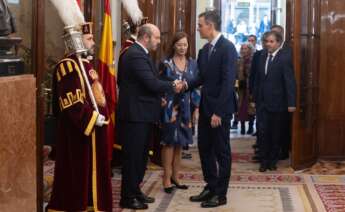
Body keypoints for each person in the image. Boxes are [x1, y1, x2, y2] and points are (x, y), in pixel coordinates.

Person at [47, 22, 113, 211]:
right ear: (76, 41)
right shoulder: (67, 66)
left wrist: (102, 114)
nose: (93, 42)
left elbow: (97, 95)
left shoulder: (86, 64)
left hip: (94, 130)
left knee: (94, 173)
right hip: (77, 132)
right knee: (76, 175)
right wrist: (91, 118)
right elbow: (71, 102)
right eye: (89, 39)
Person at [117, 23, 184, 210]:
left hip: (143, 114)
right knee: (133, 158)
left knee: (140, 157)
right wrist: (172, 86)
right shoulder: (135, 55)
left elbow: (153, 81)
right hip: (135, 116)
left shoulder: (142, 54)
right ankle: (127, 197)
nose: (159, 41)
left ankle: (135, 191)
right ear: (146, 38)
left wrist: (170, 84)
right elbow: (151, 83)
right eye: (156, 38)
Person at [187, 10, 237, 208]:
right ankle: (210, 186)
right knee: (204, 148)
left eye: (200, 25)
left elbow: (228, 82)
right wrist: (184, 85)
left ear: (210, 26)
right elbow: (201, 79)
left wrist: (219, 112)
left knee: (221, 151)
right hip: (206, 108)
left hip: (220, 110)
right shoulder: (204, 50)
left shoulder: (228, 48)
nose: (197, 28)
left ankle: (221, 194)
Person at [160, 32, 199, 193]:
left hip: (187, 108)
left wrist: (197, 108)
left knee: (181, 142)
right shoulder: (166, 64)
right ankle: (166, 178)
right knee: (169, 142)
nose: (182, 48)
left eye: (185, 45)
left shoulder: (193, 63)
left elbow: (197, 86)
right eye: (179, 45)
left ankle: (176, 176)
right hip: (170, 108)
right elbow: (160, 85)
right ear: (173, 45)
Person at [253, 31, 296, 172]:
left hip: (278, 103)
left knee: (275, 134)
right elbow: (257, 79)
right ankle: (264, 161)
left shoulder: (285, 58)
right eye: (266, 41)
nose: (268, 44)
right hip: (262, 103)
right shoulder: (261, 56)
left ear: (278, 43)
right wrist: (254, 98)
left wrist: (291, 103)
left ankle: (272, 161)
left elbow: (289, 81)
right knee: (263, 133)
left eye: (271, 41)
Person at [237, 43, 255, 135]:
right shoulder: (239, 60)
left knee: (251, 108)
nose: (244, 50)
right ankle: (243, 128)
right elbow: (237, 74)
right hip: (241, 88)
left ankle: (251, 127)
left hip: (250, 87)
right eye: (242, 48)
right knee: (241, 108)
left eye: (246, 48)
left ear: (250, 49)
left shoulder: (253, 60)